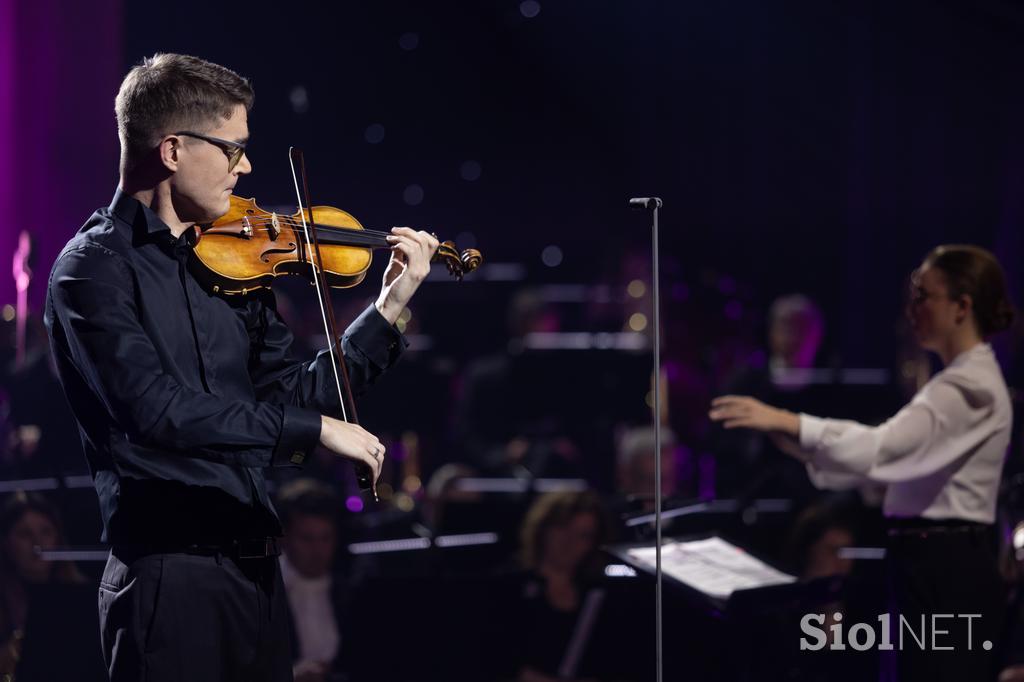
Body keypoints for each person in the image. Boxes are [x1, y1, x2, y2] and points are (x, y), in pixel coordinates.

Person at [43, 53, 439, 681]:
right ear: (173, 150)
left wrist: (388, 309)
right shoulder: (92, 270)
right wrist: (317, 433)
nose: (246, 167)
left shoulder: (234, 264)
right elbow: (155, 411)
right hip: (167, 578)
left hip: (257, 573)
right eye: (233, 149)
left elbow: (294, 397)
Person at [710, 244, 1015, 681]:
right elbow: (877, 471)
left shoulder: (970, 387)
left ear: (962, 306)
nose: (912, 309)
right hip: (929, 560)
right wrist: (791, 439)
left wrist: (787, 420)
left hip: (947, 567)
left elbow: (880, 450)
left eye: (923, 295)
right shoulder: (956, 381)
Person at [0, 491, 85, 677]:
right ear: (6, 543)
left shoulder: (81, 600)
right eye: (24, 534)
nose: (37, 543)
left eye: (46, 531)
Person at [276, 479, 346, 682]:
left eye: (326, 538)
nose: (318, 551)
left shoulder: (346, 589)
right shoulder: (264, 591)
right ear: (285, 538)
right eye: (306, 538)